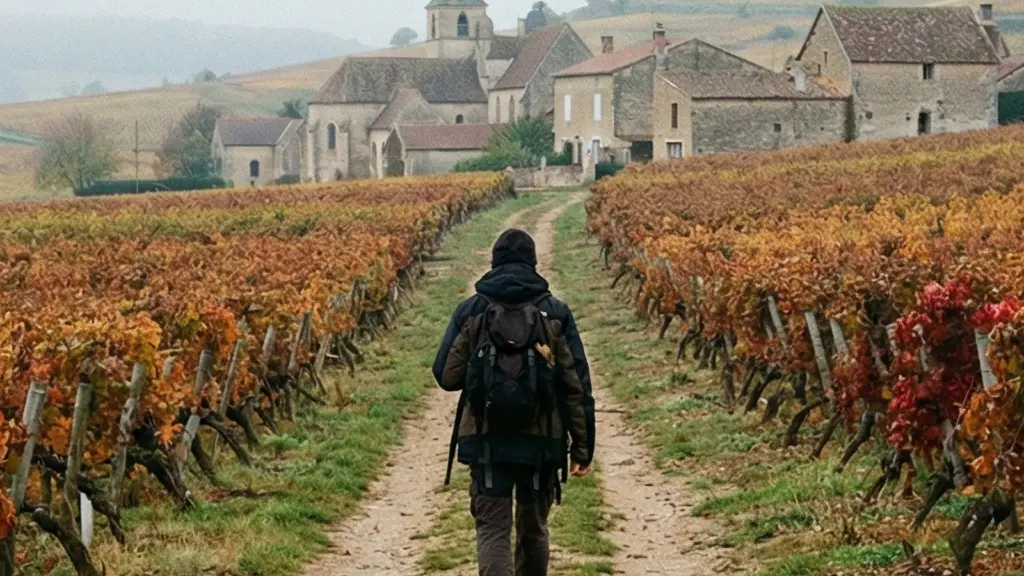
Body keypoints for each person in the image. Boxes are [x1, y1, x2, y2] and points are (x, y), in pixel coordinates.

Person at [432, 228, 596, 576]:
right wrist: (583, 448)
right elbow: (575, 386)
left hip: (486, 438)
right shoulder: (554, 312)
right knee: (534, 528)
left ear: (494, 262)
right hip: (542, 441)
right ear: (533, 263)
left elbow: (446, 376)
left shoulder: (473, 310)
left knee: (492, 528)